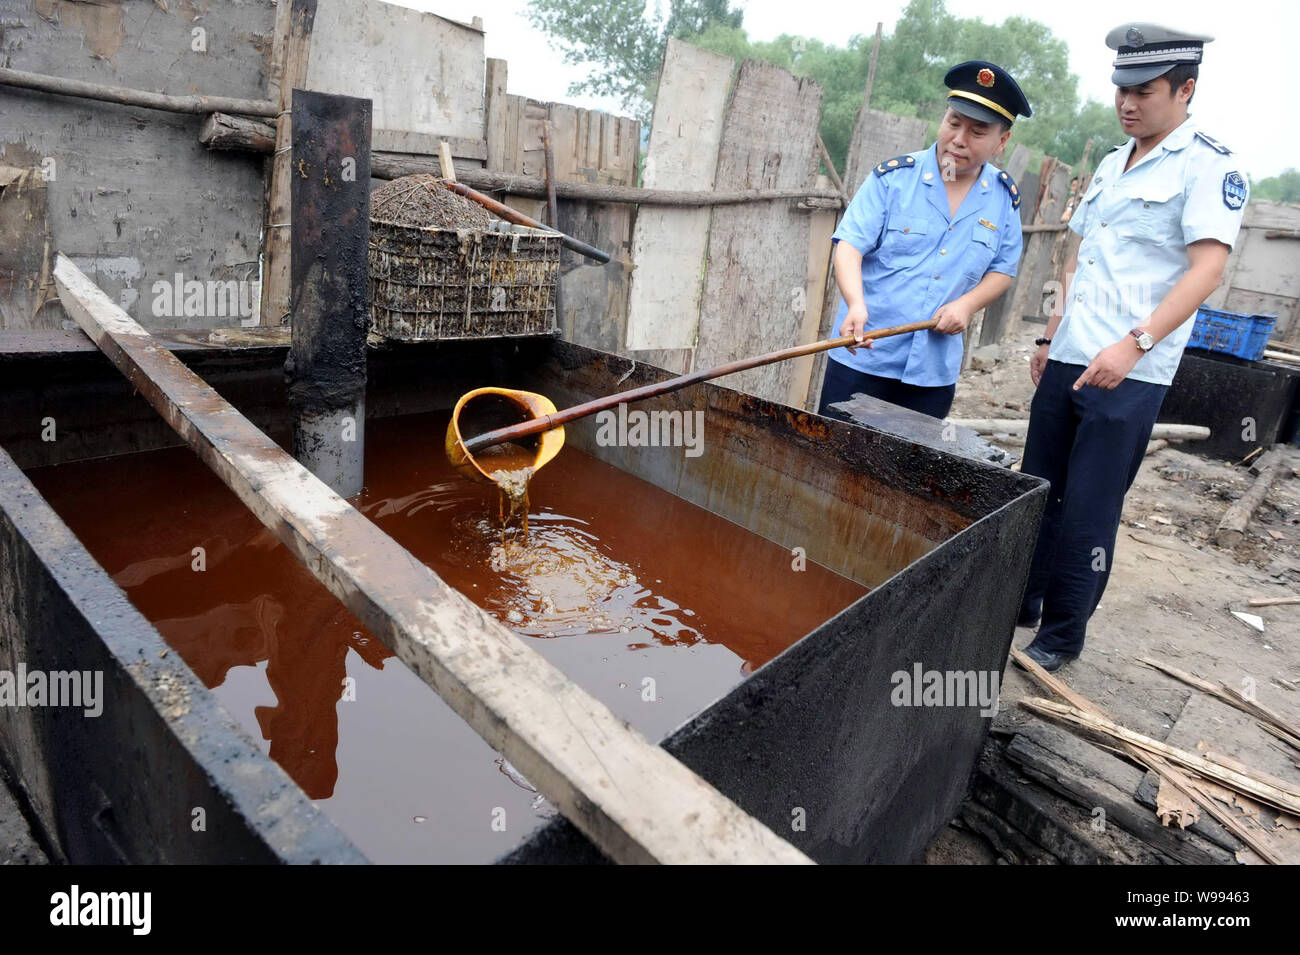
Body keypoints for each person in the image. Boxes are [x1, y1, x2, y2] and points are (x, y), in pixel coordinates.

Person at [1018, 23, 1249, 671]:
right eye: (1120, 89)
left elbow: (1205, 270)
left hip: (1131, 367)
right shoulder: (1115, 161)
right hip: (1070, 352)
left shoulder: (1210, 164)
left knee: (1090, 503)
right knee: (1037, 486)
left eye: (1143, 91)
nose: (1126, 103)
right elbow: (1081, 253)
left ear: (1185, 89)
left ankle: (1061, 635)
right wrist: (1050, 331)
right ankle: (1024, 599)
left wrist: (1135, 343)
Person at [817, 60, 1030, 420]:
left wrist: (966, 306)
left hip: (932, 374)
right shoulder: (894, 180)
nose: (959, 139)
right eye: (954, 123)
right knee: (834, 463)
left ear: (1001, 141)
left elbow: (1003, 270)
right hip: (865, 354)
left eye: (978, 132)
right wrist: (855, 303)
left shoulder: (1002, 200)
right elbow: (849, 244)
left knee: (911, 473)